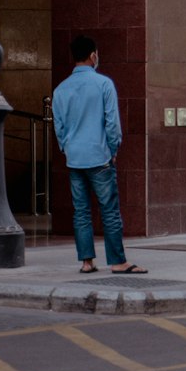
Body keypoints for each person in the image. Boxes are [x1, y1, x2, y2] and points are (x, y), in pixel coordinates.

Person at [52, 34, 147, 276]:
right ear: (93, 56)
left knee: (81, 211)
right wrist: (113, 149)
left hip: (74, 158)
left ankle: (86, 261)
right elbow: (112, 124)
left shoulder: (61, 89)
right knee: (109, 210)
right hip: (99, 156)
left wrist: (66, 148)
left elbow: (59, 127)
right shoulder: (103, 84)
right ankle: (117, 261)